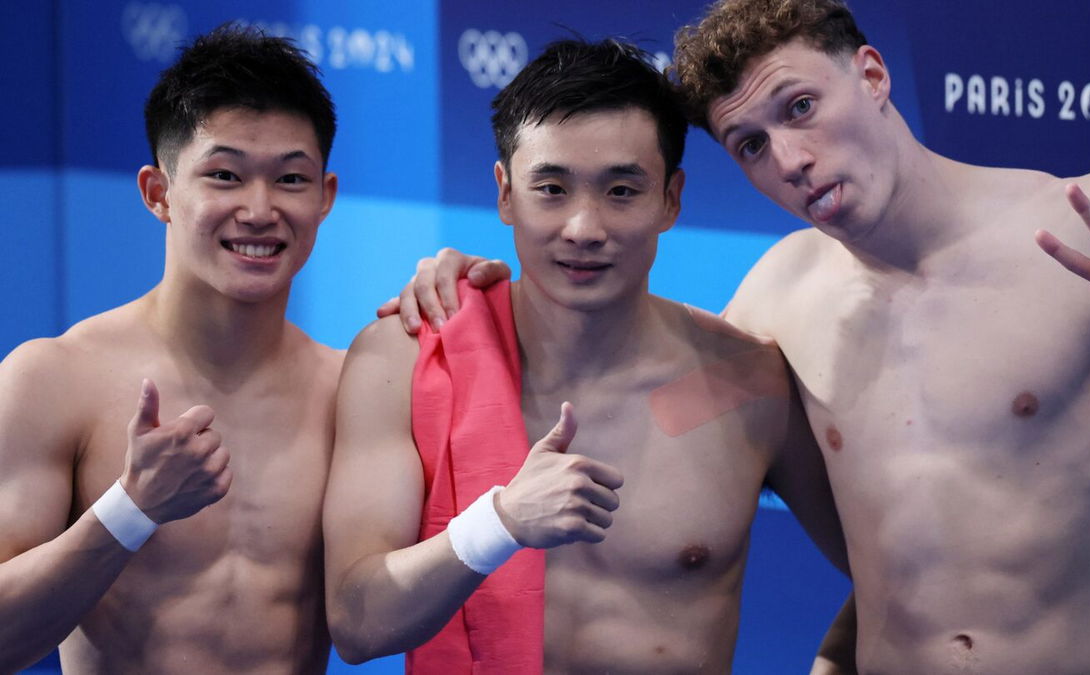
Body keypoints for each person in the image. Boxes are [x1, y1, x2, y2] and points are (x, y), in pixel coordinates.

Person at [391, 0, 1090, 672]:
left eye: (801, 109)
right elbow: (626, 408)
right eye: (751, 145)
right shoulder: (775, 303)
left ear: (874, 76)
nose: (791, 159)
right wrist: (488, 296)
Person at [323, 38, 848, 673]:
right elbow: (357, 624)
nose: (583, 228)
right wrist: (500, 524)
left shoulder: (749, 385)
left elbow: (900, 583)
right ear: (505, 194)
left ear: (671, 199)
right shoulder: (402, 361)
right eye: (551, 188)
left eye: (622, 191)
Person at [0, 25, 340, 673]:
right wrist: (131, 509)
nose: (260, 208)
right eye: (225, 175)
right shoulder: (53, 378)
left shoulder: (351, 391)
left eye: (291, 179)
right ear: (159, 193)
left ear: (324, 197)